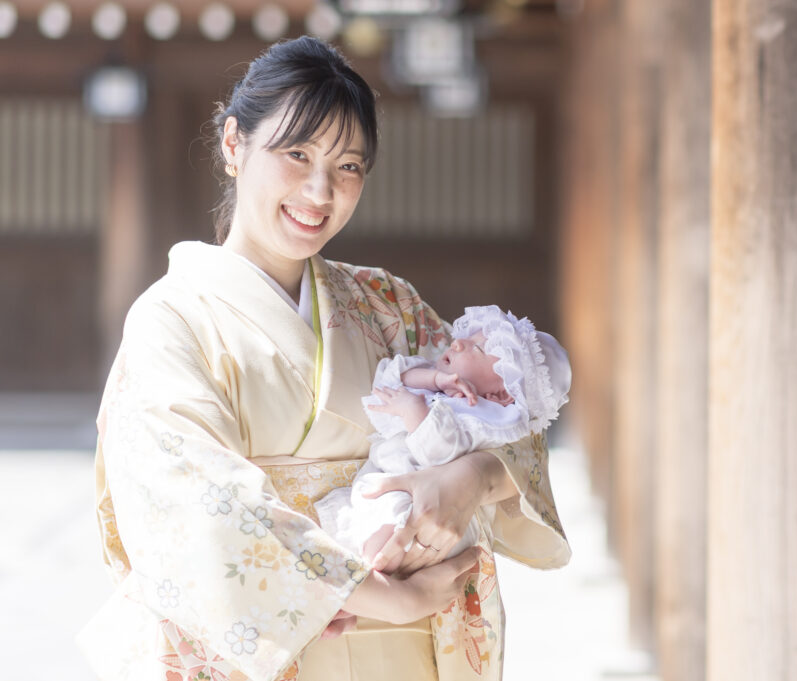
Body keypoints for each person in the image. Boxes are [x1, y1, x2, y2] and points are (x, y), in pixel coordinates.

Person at [78, 36, 570, 681]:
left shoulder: (386, 303)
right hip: (271, 645)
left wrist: (468, 479)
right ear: (234, 145)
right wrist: (383, 597)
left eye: (348, 166)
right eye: (297, 154)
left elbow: (520, 409)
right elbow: (190, 502)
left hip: (405, 649)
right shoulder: (173, 319)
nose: (320, 190)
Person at [315, 305, 571, 576]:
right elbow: (394, 379)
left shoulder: (482, 420)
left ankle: (368, 581)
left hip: (418, 502)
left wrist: (415, 411)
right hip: (386, 481)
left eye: (478, 348)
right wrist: (435, 378)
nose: (458, 343)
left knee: (385, 542)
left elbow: (440, 454)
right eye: (469, 339)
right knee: (360, 529)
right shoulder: (446, 389)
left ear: (502, 394)